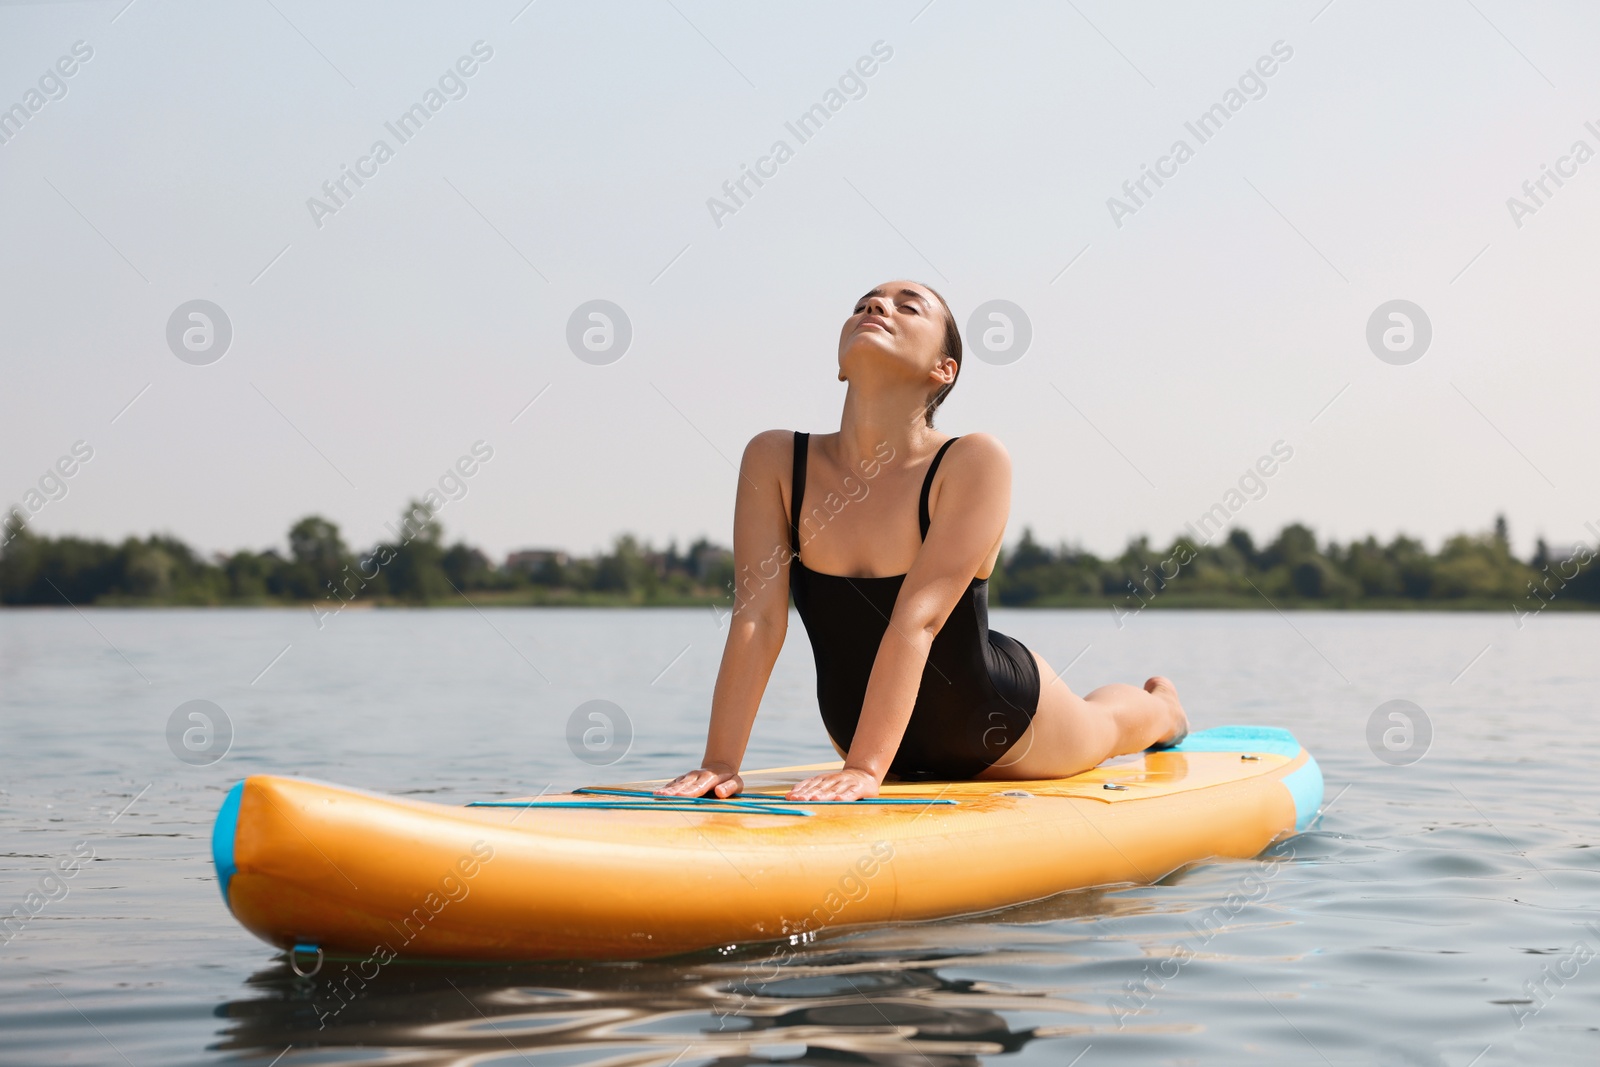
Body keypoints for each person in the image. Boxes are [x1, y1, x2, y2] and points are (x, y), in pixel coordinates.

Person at [656, 280, 1188, 802]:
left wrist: (865, 770)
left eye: (907, 307)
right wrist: (720, 764)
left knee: (1106, 725)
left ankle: (1164, 708)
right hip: (858, 729)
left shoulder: (972, 461)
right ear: (842, 365)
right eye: (865, 303)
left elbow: (920, 618)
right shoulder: (774, 461)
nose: (877, 307)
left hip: (996, 727)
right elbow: (759, 618)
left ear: (943, 370)